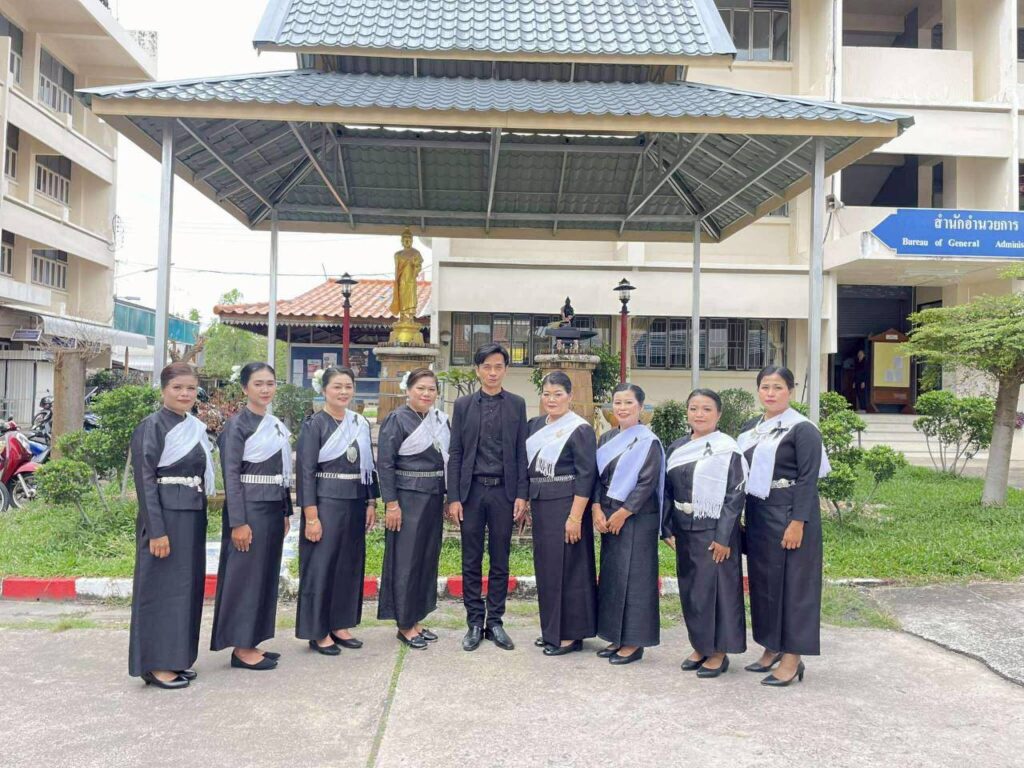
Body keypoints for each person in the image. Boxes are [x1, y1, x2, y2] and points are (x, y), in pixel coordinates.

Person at [737, 366, 830, 687]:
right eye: (765, 387)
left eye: (778, 387)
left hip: (790, 514)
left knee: (794, 587)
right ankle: (772, 646)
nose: (770, 393)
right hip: (759, 514)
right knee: (765, 584)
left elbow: (807, 480)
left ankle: (792, 657)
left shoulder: (802, 430)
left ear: (790, 390)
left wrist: (798, 522)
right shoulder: (751, 429)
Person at [128, 362, 216, 689]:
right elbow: (145, 480)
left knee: (186, 590)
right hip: (165, 518)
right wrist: (157, 531)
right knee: (162, 591)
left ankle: (178, 658)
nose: (184, 394)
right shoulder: (151, 426)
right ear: (164, 389)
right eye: (178, 388)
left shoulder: (193, 427)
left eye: (191, 388)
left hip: (191, 515)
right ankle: (157, 664)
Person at [210, 362, 292, 670]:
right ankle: (241, 647)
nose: (265, 389)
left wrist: (285, 511)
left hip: (272, 507)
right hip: (249, 509)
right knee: (245, 577)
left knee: (264, 576)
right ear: (245, 388)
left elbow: (283, 473)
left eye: (270, 383)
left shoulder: (274, 424)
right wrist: (238, 522)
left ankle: (254, 639)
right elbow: (231, 475)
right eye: (258, 384)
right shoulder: (237, 425)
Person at [447, 343, 529, 652]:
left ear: (505, 370)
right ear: (477, 370)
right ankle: (473, 622)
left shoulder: (517, 404)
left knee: (500, 558)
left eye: (498, 367)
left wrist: (521, 494)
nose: (492, 372)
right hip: (471, 492)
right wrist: (454, 497)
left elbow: (521, 452)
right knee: (470, 558)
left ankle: (494, 621)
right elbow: (456, 453)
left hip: (503, 493)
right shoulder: (464, 405)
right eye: (487, 367)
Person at [662, 389, 748, 679]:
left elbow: (735, 495)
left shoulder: (727, 448)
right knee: (692, 591)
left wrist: (724, 537)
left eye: (707, 409)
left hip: (714, 531)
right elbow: (666, 491)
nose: (699, 414)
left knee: (718, 592)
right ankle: (700, 646)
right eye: (694, 408)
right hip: (684, 529)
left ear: (718, 414)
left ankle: (719, 652)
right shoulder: (677, 447)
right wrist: (666, 527)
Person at [295, 366, 378, 655]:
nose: (343, 392)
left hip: (355, 500)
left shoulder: (359, 423)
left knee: (348, 565)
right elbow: (305, 472)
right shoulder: (315, 424)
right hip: (325, 501)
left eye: (348, 387)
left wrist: (371, 502)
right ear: (324, 390)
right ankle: (318, 630)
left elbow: (368, 465)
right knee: (322, 566)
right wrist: (311, 516)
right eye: (337, 387)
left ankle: (341, 623)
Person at [526, 371, 598, 656]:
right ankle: (552, 630)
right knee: (547, 569)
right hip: (542, 504)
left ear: (570, 396)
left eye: (558, 394)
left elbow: (586, 475)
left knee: (569, 568)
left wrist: (575, 517)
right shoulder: (534, 426)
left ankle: (570, 634)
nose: (551, 399)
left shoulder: (579, 429)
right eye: (546, 394)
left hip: (568, 505)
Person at [592, 383, 664, 665]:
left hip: (637, 518)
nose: (622, 408)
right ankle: (616, 635)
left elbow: (647, 482)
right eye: (617, 402)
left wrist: (624, 512)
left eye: (628, 403)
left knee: (636, 579)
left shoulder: (649, 441)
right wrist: (597, 508)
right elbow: (596, 477)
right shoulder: (607, 438)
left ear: (641, 407)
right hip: (609, 515)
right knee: (613, 577)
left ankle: (634, 642)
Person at [377, 368, 448, 650]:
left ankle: (416, 618)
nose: (426, 394)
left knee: (426, 559)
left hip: (433, 496)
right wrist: (391, 503)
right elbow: (385, 464)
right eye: (420, 388)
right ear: (408, 390)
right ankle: (404, 624)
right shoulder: (397, 419)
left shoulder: (439, 420)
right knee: (405, 561)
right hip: (407, 499)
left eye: (431, 389)